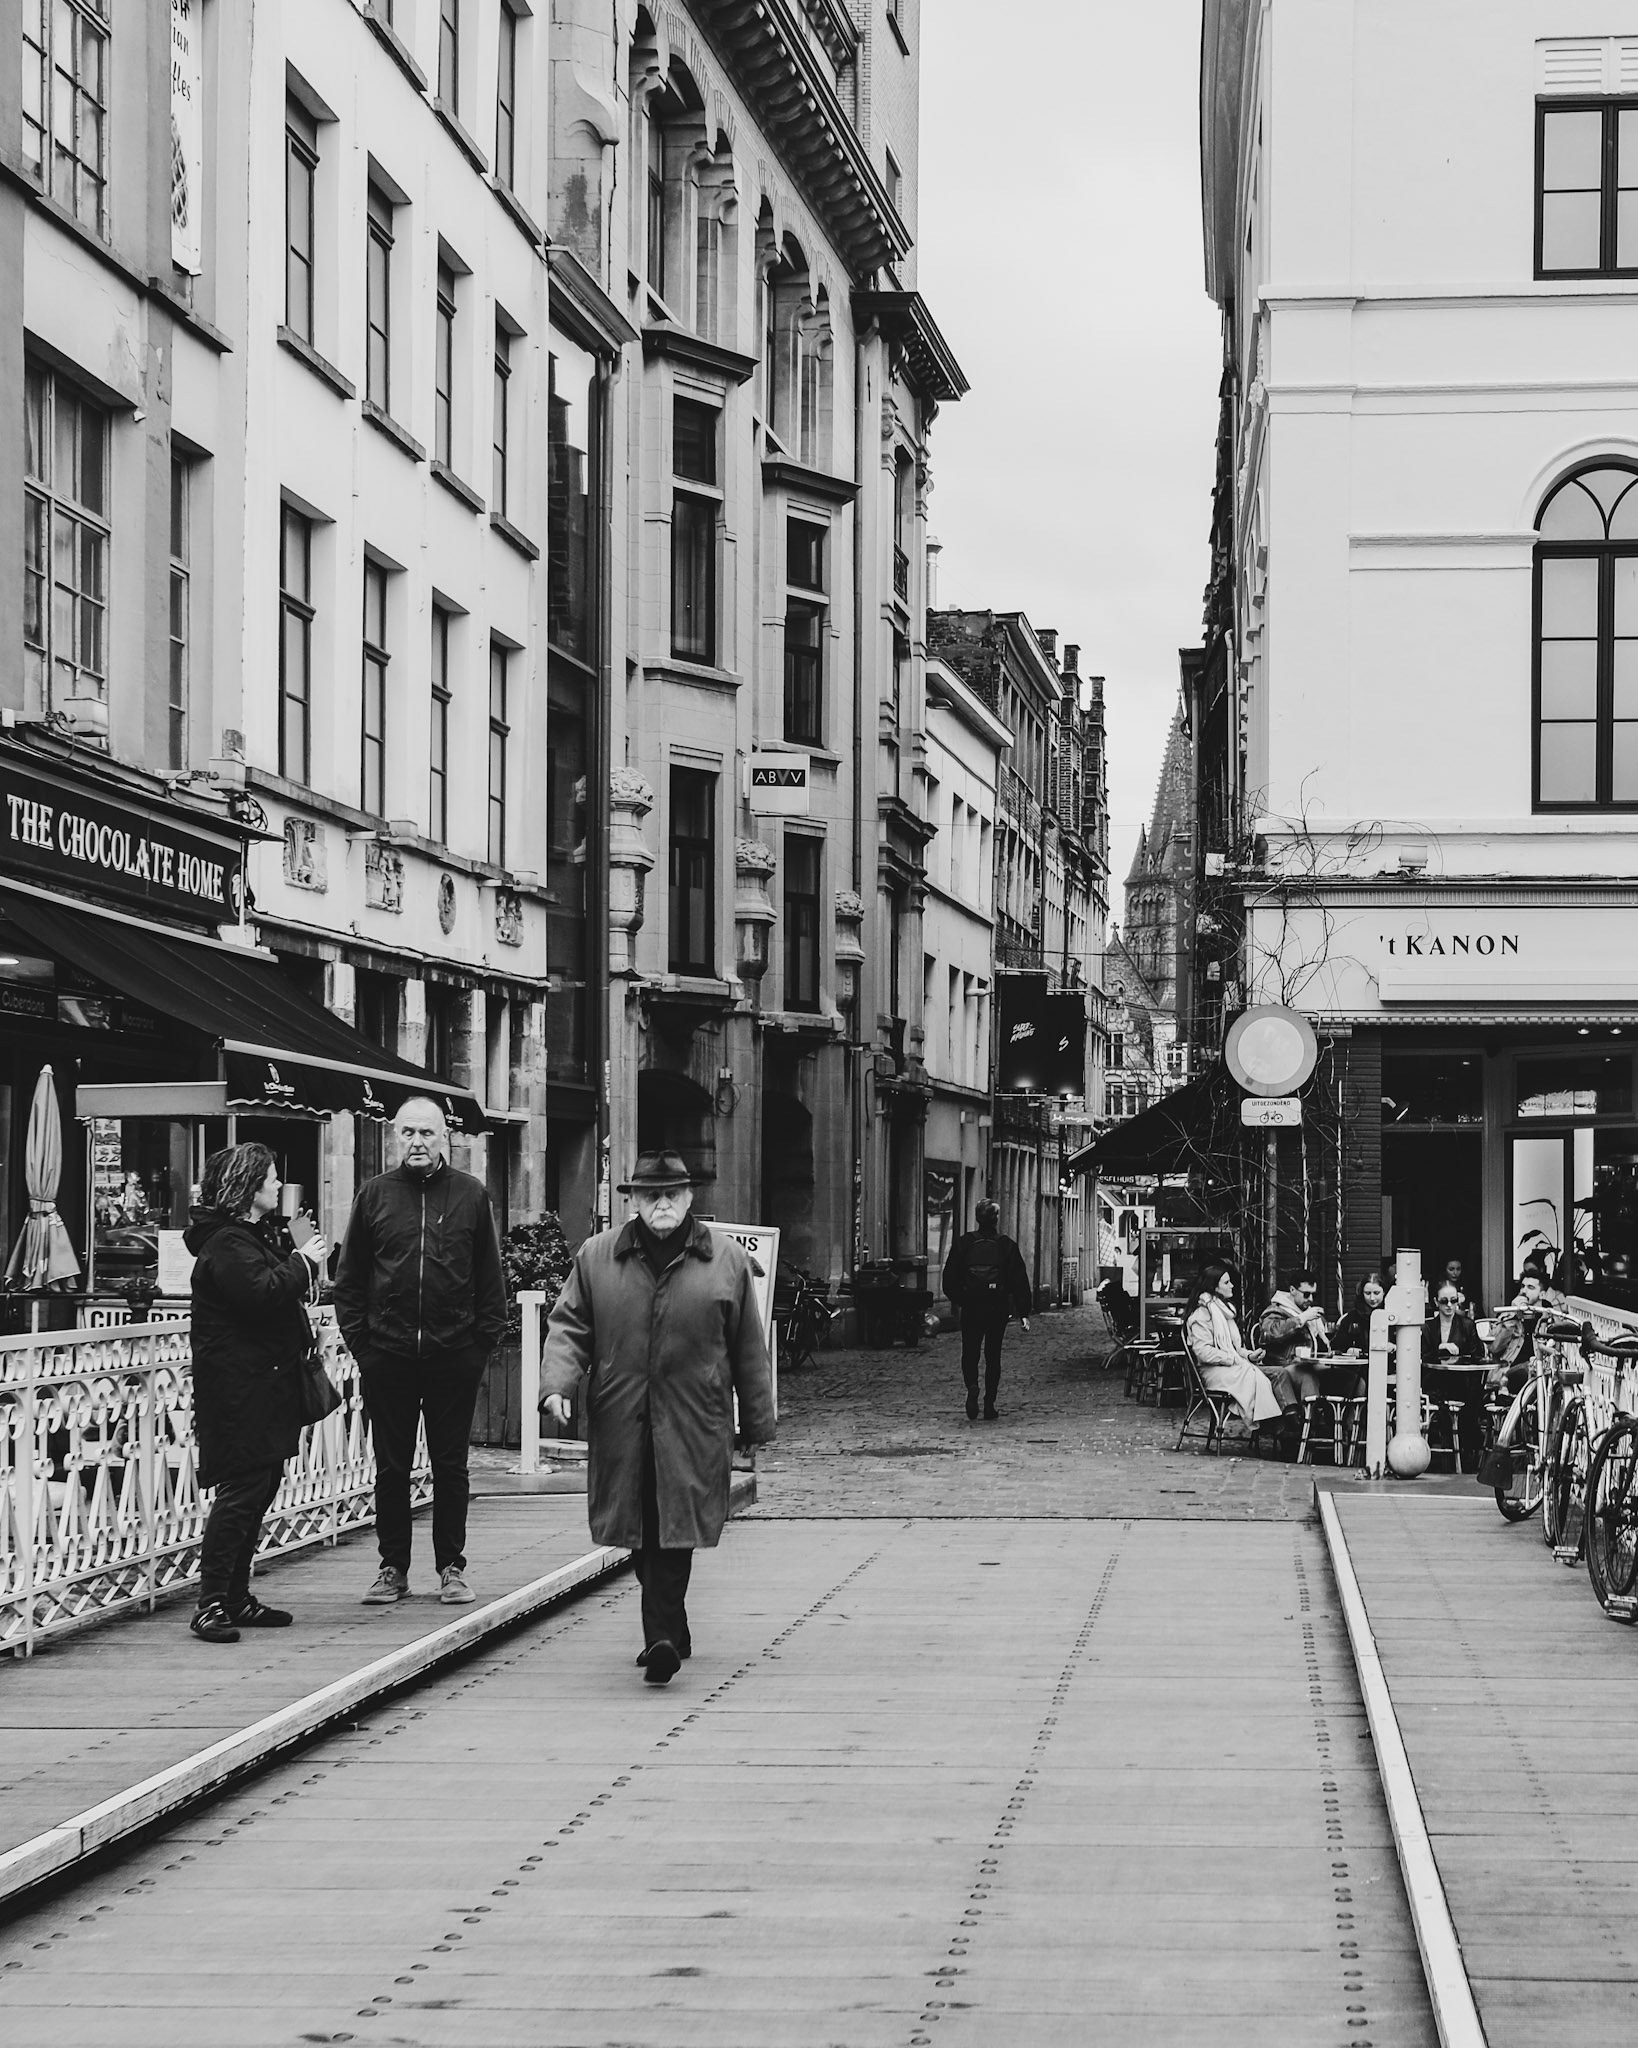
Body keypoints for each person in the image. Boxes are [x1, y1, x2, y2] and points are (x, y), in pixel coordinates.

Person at [538, 1150, 776, 1687]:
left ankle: (661, 1638)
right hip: (623, 1419)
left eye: (672, 1193)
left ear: (690, 1197)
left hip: (696, 1420)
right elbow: (570, 1325)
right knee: (643, 1526)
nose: (662, 1202)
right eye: (651, 1194)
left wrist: (756, 1423)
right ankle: (672, 1624)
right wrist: (557, 1384)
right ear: (634, 1201)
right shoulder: (598, 1257)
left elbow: (748, 1349)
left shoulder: (727, 1260)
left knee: (676, 1527)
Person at [335, 1097, 507, 1608]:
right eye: (407, 1132)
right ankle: (392, 1568)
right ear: (395, 1138)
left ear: (444, 1139)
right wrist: (364, 1347)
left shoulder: (470, 1195)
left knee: (450, 1464)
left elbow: (488, 1277)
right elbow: (351, 1280)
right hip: (387, 1352)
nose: (416, 1142)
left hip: (454, 1352)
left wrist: (480, 1344)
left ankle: (451, 1568)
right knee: (390, 1466)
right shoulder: (374, 1196)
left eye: (426, 1134)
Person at [186, 1144, 330, 1644]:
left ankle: (235, 1596)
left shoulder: (246, 1236)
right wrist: (302, 1262)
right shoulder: (227, 1243)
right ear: (249, 1187)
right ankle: (210, 1604)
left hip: (262, 1385)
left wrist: (301, 1265)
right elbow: (261, 1294)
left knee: (259, 1488)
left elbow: (271, 1292)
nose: (277, 1185)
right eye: (271, 1178)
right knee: (242, 1493)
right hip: (239, 1390)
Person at [941, 1198, 1033, 1420]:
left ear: (976, 1218)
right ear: (996, 1219)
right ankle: (989, 1402)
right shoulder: (1006, 1245)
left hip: (972, 1308)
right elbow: (1019, 1280)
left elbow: (949, 1279)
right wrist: (1023, 1312)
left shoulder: (963, 1244)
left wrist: (963, 1299)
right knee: (993, 1356)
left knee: (970, 1353)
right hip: (997, 1308)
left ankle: (972, 1385)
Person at [1185, 1263, 1298, 1435]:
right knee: (1255, 1376)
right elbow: (1203, 1353)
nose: (1232, 1286)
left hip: (1233, 1366)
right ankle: (1278, 1426)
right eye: (1226, 1282)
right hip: (1215, 1371)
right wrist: (1232, 1359)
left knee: (1279, 1373)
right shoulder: (1201, 1317)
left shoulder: (1225, 1312)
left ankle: (1289, 1419)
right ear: (1214, 1287)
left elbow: (1235, 1348)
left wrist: (1250, 1356)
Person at [1422, 1279, 1486, 1469]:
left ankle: (1467, 1450)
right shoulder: (1428, 1327)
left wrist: (1460, 1354)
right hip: (1436, 1382)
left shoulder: (1467, 1325)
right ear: (1436, 1302)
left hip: (1461, 1382)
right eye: (1444, 1301)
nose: (1449, 1305)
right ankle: (1449, 1446)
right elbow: (1423, 1356)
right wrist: (1440, 1348)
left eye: (1453, 1300)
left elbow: (1478, 1355)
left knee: (1471, 1396)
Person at [1332, 1274, 1388, 1354]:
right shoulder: (1352, 1317)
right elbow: (1337, 1345)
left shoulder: (1393, 1314)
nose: (1372, 1298)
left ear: (1384, 1292)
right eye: (1368, 1293)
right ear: (1362, 1293)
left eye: (1376, 1293)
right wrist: (1347, 1350)